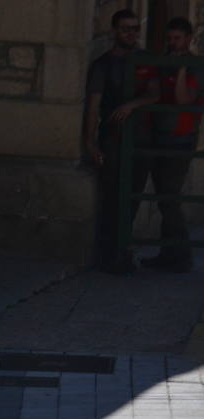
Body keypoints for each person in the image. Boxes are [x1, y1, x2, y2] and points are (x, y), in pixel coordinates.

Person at [85, 9, 160, 272]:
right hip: (114, 139)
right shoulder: (103, 64)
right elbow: (94, 106)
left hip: (140, 139)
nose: (132, 34)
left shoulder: (145, 60)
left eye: (136, 28)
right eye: (126, 29)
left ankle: (122, 253)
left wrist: (132, 104)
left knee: (132, 197)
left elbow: (155, 93)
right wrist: (91, 142)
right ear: (114, 32)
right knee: (113, 198)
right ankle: (110, 256)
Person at [144, 17, 201, 272]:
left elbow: (183, 100)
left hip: (180, 140)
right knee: (164, 198)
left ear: (188, 39)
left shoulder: (195, 67)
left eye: (177, 38)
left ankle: (181, 255)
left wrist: (179, 69)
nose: (172, 43)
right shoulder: (162, 62)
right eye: (170, 38)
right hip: (160, 138)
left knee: (169, 198)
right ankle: (169, 254)